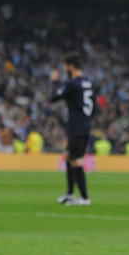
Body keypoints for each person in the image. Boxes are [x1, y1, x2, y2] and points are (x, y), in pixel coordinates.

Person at [50, 54, 96, 206]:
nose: (64, 70)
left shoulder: (73, 84)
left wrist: (54, 82)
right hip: (84, 124)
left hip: (77, 126)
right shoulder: (88, 83)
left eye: (65, 66)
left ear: (70, 66)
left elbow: (54, 97)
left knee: (76, 160)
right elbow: (94, 107)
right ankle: (70, 194)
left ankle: (84, 197)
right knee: (69, 156)